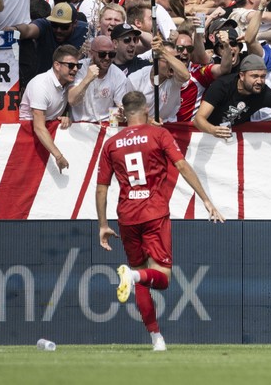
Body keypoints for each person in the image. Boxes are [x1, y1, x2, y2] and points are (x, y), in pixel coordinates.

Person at [97, 91, 225, 352]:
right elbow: (182, 166)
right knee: (162, 278)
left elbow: (101, 188)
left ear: (123, 113)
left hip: (126, 216)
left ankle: (157, 338)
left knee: (141, 276)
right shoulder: (159, 134)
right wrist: (206, 199)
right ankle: (132, 276)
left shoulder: (112, 144)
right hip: (154, 213)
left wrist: (102, 224)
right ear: (146, 109)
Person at [194, 54, 271, 137]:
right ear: (242, 76)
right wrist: (213, 130)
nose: (259, 81)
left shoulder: (263, 92)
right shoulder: (222, 85)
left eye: (263, 76)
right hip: (206, 133)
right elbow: (198, 119)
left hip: (233, 136)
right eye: (254, 76)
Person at [18, 45, 79, 173]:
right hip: (27, 139)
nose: (75, 70)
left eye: (78, 66)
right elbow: (39, 127)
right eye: (71, 66)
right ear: (57, 65)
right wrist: (58, 156)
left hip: (46, 139)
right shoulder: (41, 84)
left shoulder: (66, 84)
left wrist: (62, 118)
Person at [69, 35, 131, 123]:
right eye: (102, 54)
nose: (107, 58)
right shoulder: (79, 68)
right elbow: (72, 100)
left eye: (111, 54)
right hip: (79, 125)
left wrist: (121, 115)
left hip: (105, 125)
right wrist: (87, 79)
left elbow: (120, 105)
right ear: (91, 53)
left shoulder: (118, 74)